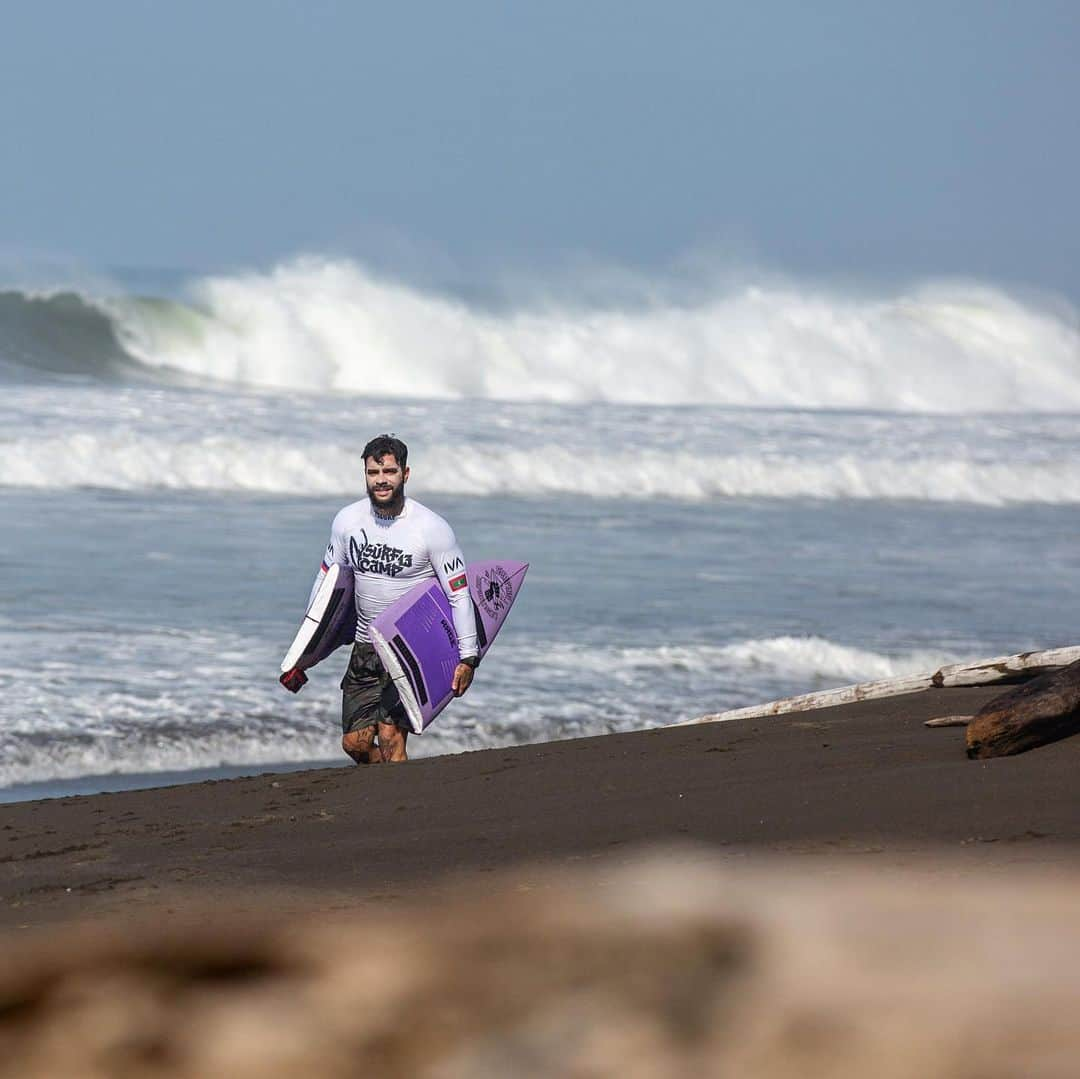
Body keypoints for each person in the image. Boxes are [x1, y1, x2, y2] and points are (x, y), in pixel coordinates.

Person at [281, 434, 479, 763]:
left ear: (405, 473)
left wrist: (468, 657)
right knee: (354, 744)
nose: (381, 480)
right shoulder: (347, 522)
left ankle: (397, 805)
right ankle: (389, 785)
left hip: (409, 648)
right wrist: (305, 650)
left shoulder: (431, 528)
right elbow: (327, 580)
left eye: (389, 471)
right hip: (365, 645)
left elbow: (459, 594)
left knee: (390, 737)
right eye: (373, 473)